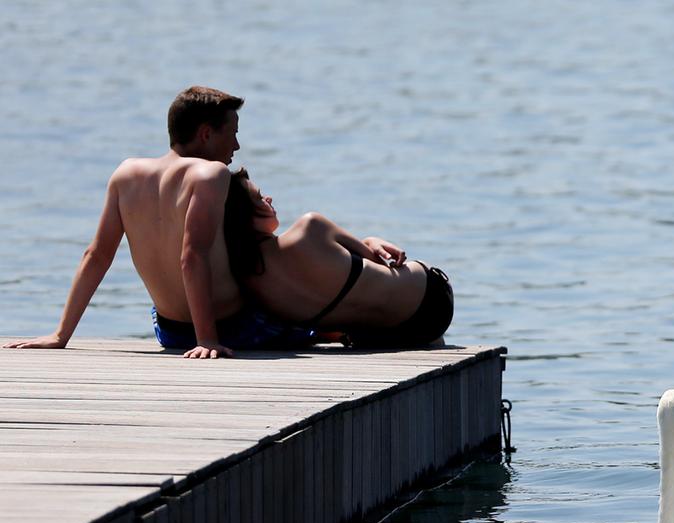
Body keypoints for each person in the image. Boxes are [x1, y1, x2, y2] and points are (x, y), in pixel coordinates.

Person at [4, 86, 312, 358]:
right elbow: (192, 256)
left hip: (169, 332)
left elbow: (96, 255)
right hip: (232, 328)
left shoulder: (126, 174)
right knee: (317, 318)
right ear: (206, 134)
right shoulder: (210, 174)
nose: (237, 146)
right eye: (232, 133)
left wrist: (60, 335)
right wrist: (207, 339)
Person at [221, 169, 453, 348]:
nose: (269, 198)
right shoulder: (309, 227)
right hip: (432, 303)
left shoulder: (250, 288)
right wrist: (371, 240)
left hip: (380, 337)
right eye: (260, 197)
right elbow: (379, 264)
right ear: (245, 217)